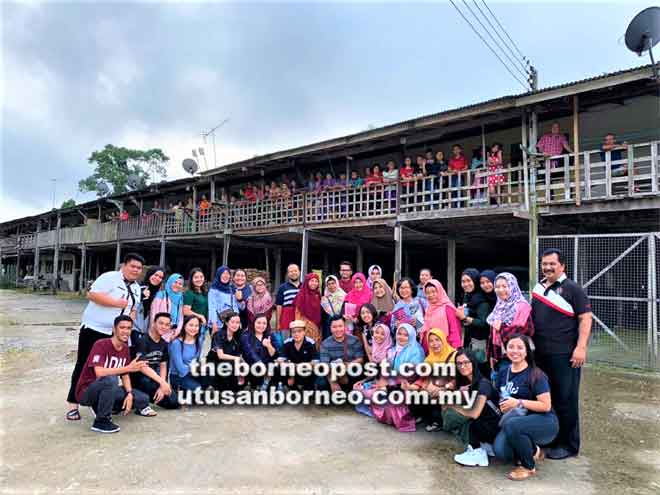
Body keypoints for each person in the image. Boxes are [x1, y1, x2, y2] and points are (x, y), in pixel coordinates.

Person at [65, 252, 144, 421]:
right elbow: (92, 294)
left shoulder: (137, 287)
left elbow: (134, 308)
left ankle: (99, 403)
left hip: (115, 334)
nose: (136, 270)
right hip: (94, 329)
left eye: (139, 268)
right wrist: (115, 303)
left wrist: (128, 324)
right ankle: (73, 404)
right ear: (124, 265)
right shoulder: (110, 278)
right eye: (133, 266)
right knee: (84, 365)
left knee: (109, 370)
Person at [532, 248, 592, 460]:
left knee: (566, 399)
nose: (547, 267)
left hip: (565, 355)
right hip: (540, 354)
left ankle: (568, 445)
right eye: (544, 264)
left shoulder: (572, 289)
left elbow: (585, 318)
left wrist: (581, 347)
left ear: (562, 266)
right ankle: (551, 439)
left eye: (552, 264)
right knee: (546, 397)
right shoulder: (538, 287)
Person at [493, 335, 559, 480]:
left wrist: (518, 402)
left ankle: (528, 466)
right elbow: (500, 396)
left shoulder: (536, 374)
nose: (515, 351)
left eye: (520, 347)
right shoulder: (503, 372)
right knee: (501, 452)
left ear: (527, 351)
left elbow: (546, 406)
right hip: (517, 421)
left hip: (544, 421)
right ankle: (535, 451)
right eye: (511, 347)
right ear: (505, 349)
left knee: (512, 425)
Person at [76, 315, 152, 433]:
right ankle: (101, 422)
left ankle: (107, 406)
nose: (126, 331)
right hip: (87, 391)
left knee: (142, 399)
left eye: (129, 328)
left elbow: (125, 374)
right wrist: (128, 367)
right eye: (122, 327)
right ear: (114, 329)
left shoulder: (125, 348)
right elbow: (99, 372)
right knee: (111, 379)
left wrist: (129, 393)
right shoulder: (101, 344)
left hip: (107, 387)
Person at [366, 324, 425, 432]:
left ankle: (411, 416)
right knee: (368, 390)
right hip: (393, 382)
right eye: (399, 334)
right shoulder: (393, 350)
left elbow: (411, 374)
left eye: (405, 335)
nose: (401, 337)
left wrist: (389, 384)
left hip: (408, 385)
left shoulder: (416, 351)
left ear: (411, 336)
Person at [451, 349, 501, 467]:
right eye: (459, 363)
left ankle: (478, 452)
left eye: (466, 362)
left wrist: (453, 406)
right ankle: (483, 446)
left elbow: (475, 413)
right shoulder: (467, 383)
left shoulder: (483, 383)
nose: (462, 366)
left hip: (495, 427)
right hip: (485, 425)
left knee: (459, 416)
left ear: (473, 362)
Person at [404, 328, 457, 431]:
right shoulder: (429, 358)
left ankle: (439, 422)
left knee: (435, 395)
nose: (434, 344)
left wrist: (443, 387)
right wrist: (414, 386)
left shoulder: (454, 355)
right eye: (431, 341)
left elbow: (458, 379)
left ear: (443, 340)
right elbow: (424, 377)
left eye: (437, 340)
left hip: (450, 388)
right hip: (433, 387)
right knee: (415, 394)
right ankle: (424, 417)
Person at [130, 312, 180, 410]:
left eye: (167, 325)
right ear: (154, 323)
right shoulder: (142, 340)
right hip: (140, 379)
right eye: (161, 323)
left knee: (174, 401)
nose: (163, 327)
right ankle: (139, 397)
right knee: (145, 380)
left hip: (154, 379)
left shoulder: (164, 343)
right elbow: (142, 367)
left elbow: (163, 365)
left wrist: (162, 386)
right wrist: (162, 382)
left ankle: (147, 398)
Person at [487, 272, 534, 371]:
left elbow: (527, 331)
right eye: (497, 287)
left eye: (505, 286)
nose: (500, 290)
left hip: (517, 357)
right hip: (500, 358)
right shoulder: (498, 307)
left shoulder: (522, 306)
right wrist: (492, 356)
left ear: (512, 286)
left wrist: (502, 328)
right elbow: (493, 336)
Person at [319, 316, 364, 392]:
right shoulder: (325, 344)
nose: (338, 329)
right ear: (330, 328)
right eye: (334, 327)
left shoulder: (354, 340)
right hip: (333, 371)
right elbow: (325, 364)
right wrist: (333, 381)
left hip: (350, 371)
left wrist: (347, 365)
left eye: (340, 326)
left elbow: (360, 359)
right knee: (321, 384)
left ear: (345, 326)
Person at [456, 269, 492, 363]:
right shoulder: (467, 296)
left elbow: (484, 323)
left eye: (469, 281)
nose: (465, 284)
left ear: (475, 281)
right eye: (463, 281)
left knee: (479, 367)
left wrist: (464, 318)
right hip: (470, 339)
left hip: (480, 342)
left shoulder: (481, 300)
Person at [419, 279, 461, 351]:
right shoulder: (429, 308)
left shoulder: (448, 308)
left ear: (440, 291)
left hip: (445, 350)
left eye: (433, 291)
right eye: (427, 293)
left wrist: (455, 350)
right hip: (430, 350)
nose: (431, 295)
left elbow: (454, 331)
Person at [240, 314, 279, 390]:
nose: (261, 325)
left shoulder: (270, 335)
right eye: (258, 323)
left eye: (264, 323)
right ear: (253, 323)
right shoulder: (246, 335)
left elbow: (275, 355)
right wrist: (261, 364)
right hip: (252, 367)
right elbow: (249, 352)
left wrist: (268, 346)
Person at [169, 315, 205, 392]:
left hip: (191, 372)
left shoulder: (199, 340)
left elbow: (197, 361)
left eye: (196, 326)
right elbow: (181, 369)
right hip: (178, 376)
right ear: (184, 326)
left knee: (210, 378)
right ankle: (180, 390)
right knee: (199, 389)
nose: (194, 328)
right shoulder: (176, 343)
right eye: (191, 325)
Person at [282, 320, 319, 390]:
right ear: (291, 333)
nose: (296, 334)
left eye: (299, 331)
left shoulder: (310, 343)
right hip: (292, 371)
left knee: (315, 369)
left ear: (304, 332)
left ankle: (308, 387)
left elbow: (315, 361)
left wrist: (297, 366)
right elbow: (281, 360)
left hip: (305, 370)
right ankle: (290, 387)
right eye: (294, 332)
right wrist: (291, 375)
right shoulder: (287, 343)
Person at [150, 273, 185, 343]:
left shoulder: (180, 298)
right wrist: (158, 332)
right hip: (160, 333)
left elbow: (181, 317)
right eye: (175, 282)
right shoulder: (161, 295)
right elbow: (154, 314)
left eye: (180, 284)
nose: (177, 285)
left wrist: (177, 332)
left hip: (173, 333)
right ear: (170, 282)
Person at [274, 263, 302, 349]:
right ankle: (285, 357)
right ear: (288, 273)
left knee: (299, 337)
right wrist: (278, 322)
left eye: (295, 271)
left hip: (300, 315)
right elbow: (279, 305)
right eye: (291, 271)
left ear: (299, 272)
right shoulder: (282, 287)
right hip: (286, 315)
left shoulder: (304, 286)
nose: (293, 273)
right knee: (285, 339)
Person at [292, 273, 322, 350]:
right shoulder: (301, 294)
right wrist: (299, 326)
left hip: (316, 325)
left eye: (316, 281)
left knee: (315, 343)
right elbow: (297, 311)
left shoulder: (318, 294)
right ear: (307, 282)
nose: (314, 283)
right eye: (312, 281)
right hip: (305, 323)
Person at [208, 266, 239, 335]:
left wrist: (236, 320)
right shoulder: (214, 289)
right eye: (223, 273)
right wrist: (214, 323)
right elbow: (212, 307)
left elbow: (235, 305)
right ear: (219, 275)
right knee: (217, 344)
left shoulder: (231, 288)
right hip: (218, 323)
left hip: (231, 324)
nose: (225, 276)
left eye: (227, 273)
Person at [134, 266, 165, 335]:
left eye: (160, 277)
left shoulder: (159, 294)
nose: (157, 278)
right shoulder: (138, 288)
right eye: (156, 275)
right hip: (134, 329)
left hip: (148, 331)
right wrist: (141, 295)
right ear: (150, 274)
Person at [183, 268, 208, 340]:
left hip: (203, 326)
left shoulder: (204, 293)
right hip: (193, 326)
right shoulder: (189, 293)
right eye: (196, 277)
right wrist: (200, 316)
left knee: (199, 349)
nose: (199, 279)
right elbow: (185, 311)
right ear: (192, 279)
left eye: (201, 277)